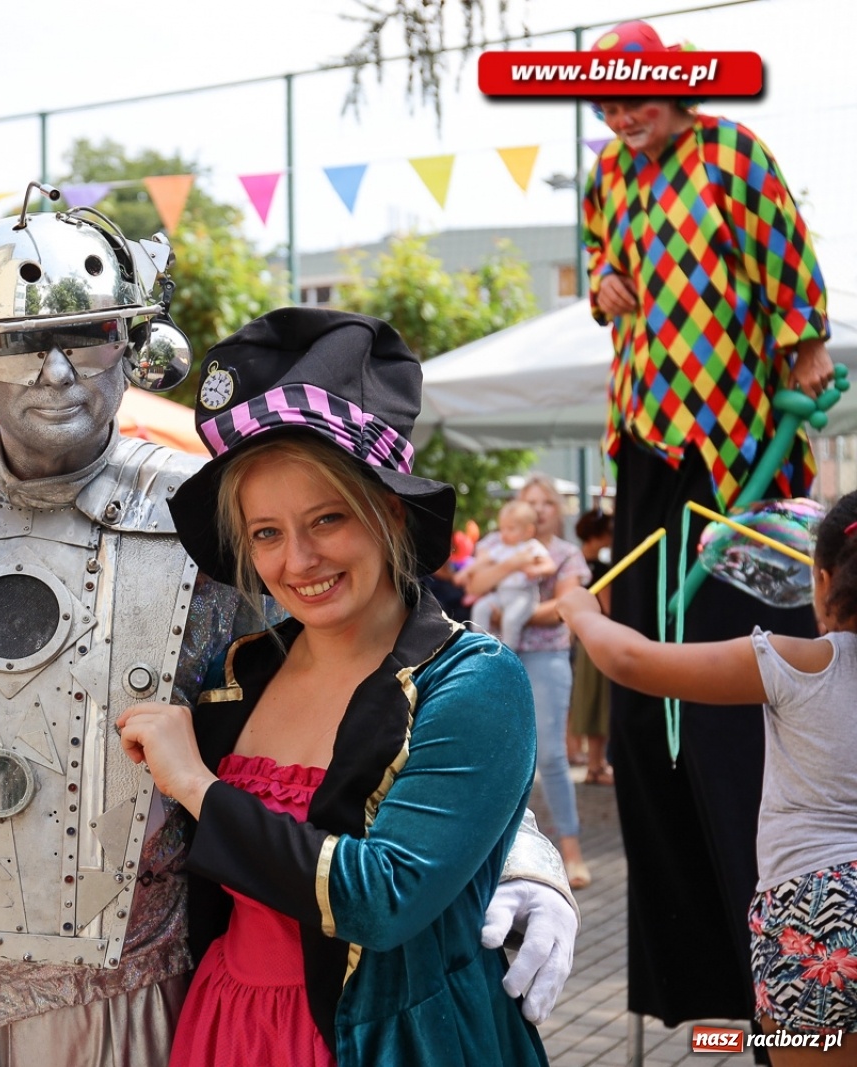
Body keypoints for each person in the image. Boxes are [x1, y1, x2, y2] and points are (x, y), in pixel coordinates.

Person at [0, 203, 579, 1067]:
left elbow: (377, 704)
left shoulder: (220, 514)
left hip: (138, 988)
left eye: (86, 333)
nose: (54, 373)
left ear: (135, 343)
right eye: (13, 339)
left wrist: (520, 857)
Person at [117, 309, 549, 1066]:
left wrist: (194, 782)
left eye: (328, 518)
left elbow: (381, 900)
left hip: (391, 1041)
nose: (299, 560)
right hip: (225, 1027)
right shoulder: (239, 671)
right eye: (267, 533)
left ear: (388, 511)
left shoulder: (474, 681)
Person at [580, 18, 834, 1024]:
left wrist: (803, 341)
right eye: (606, 98)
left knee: (735, 699)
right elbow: (603, 262)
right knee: (650, 716)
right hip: (645, 439)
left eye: (636, 94)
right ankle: (692, 978)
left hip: (733, 439)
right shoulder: (606, 173)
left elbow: (785, 254)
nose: (620, 112)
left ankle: (780, 970)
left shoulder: (731, 150)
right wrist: (603, 285)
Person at [559, 490, 857, 1066]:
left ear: (822, 580)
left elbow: (633, 661)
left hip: (815, 917)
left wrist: (580, 610)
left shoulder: (802, 661)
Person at [459, 475, 591, 889]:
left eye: (545, 503)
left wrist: (506, 612)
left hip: (546, 655)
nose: (537, 508)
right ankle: (488, 853)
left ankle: (571, 850)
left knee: (551, 757)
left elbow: (563, 608)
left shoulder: (566, 554)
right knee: (489, 751)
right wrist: (510, 575)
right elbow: (476, 586)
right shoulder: (497, 543)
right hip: (497, 656)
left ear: (555, 510)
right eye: (529, 501)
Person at [468, 500, 554, 650]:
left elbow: (550, 566)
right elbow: (482, 562)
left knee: (510, 620)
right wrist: (466, 572)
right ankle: (478, 646)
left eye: (510, 529)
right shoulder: (501, 548)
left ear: (528, 531)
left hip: (522, 595)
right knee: (480, 607)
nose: (504, 534)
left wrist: (536, 570)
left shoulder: (532, 546)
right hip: (501, 594)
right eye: (502, 529)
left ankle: (508, 653)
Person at [567, 509, 614, 785]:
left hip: (581, 639)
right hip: (598, 638)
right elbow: (609, 609)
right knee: (598, 704)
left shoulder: (576, 563)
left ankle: (595, 765)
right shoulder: (599, 569)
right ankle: (597, 766)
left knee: (587, 702)